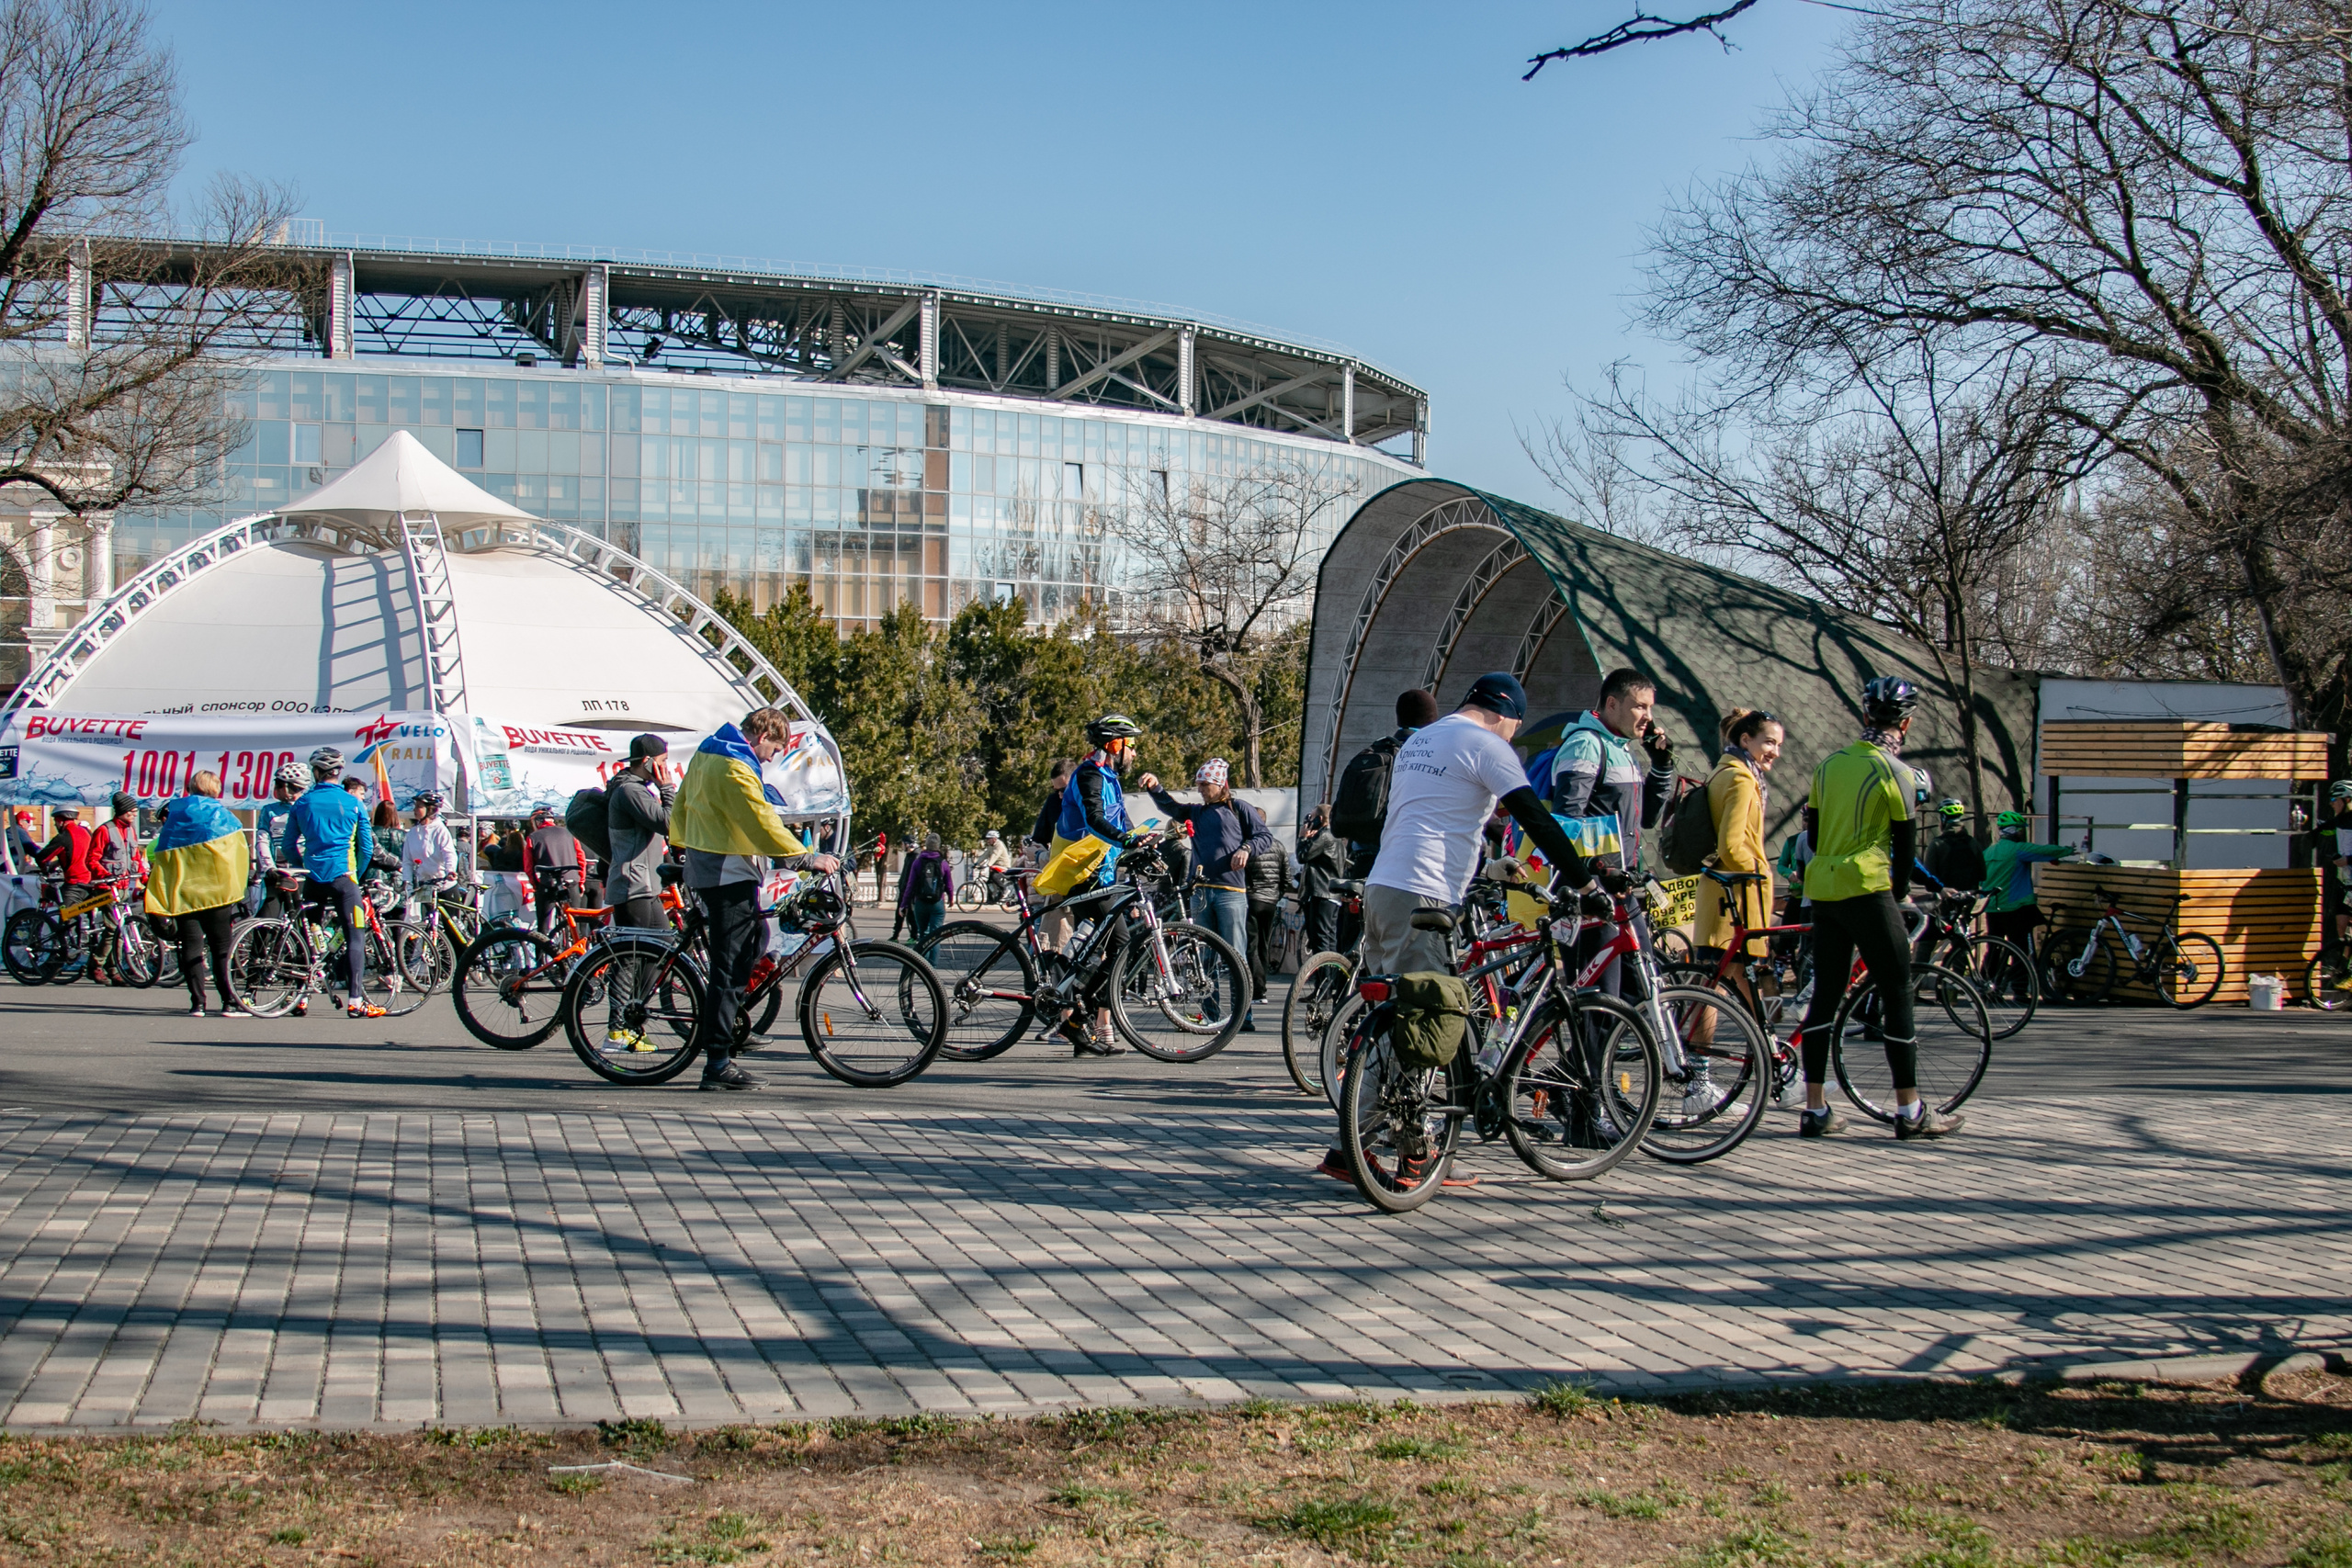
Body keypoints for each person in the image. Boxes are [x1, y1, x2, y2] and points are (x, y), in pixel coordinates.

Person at [1320, 673, 1596, 1181]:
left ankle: (1349, 1146)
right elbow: (1534, 817)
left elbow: (1430, 818)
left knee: (1398, 1020)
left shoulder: (1421, 740)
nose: (1513, 734)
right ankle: (1415, 1157)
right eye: (1516, 724)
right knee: (1428, 1025)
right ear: (1506, 712)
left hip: (1384, 888)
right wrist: (1585, 882)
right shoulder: (1486, 744)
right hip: (1424, 896)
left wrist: (1486, 870)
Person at [1791, 676, 1960, 1139]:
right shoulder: (1899, 773)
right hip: (1867, 887)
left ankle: (1815, 1108)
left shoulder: (1828, 766)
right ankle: (1909, 1110)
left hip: (1824, 889)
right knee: (1897, 989)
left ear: (1866, 716)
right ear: (1906, 722)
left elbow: (1815, 836)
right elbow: (1905, 848)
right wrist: (1901, 893)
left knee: (1825, 993)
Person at [670, 706, 839, 1090]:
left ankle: (730, 1026)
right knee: (728, 971)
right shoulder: (734, 765)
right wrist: (805, 857)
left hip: (713, 863)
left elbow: (681, 802)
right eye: (776, 750)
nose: (773, 758)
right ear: (763, 737)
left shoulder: (710, 750)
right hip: (724, 871)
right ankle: (716, 1063)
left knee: (752, 945)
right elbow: (759, 818)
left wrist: (681, 842)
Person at [1138, 758, 1273, 1031]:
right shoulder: (1196, 812)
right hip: (1200, 892)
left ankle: (1242, 1016)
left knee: (1236, 955)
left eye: (1204, 785)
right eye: (1198, 784)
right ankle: (1212, 1017)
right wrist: (1155, 788)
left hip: (1231, 892)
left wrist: (1246, 849)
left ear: (1220, 784)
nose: (1199, 789)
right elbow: (1171, 807)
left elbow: (1264, 837)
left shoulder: (1239, 809)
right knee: (1205, 957)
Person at [1043, 716, 1149, 1055]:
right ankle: (1075, 1009)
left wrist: (1143, 842)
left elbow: (1119, 822)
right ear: (1114, 744)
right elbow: (1095, 820)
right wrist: (1125, 840)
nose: (1134, 753)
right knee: (1121, 944)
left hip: (1098, 874)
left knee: (1107, 946)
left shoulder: (1108, 777)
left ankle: (1075, 1016)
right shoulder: (1088, 775)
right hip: (1080, 874)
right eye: (1131, 745)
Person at [1692, 708, 1784, 1034]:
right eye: (1769, 742)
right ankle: (1699, 1074)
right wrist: (1761, 870)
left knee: (1734, 985)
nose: (1775, 751)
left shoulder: (1725, 771)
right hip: (1734, 901)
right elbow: (1731, 846)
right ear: (1746, 739)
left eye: (1778, 744)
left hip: (1725, 897)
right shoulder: (1742, 779)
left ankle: (1772, 1064)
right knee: (1711, 991)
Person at [283, 746, 379, 1019]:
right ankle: (356, 1001)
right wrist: (356, 876)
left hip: (312, 879)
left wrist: (304, 864)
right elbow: (367, 849)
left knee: (307, 938)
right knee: (355, 937)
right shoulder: (353, 803)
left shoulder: (302, 802)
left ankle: (301, 997)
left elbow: (289, 845)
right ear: (338, 772)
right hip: (343, 879)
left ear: (315, 772)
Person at [145, 772, 251, 1017]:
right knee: (221, 948)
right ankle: (228, 1002)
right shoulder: (224, 816)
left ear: (191, 788)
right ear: (215, 789)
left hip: (184, 892)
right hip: (218, 892)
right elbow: (238, 853)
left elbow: (163, 855)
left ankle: (198, 1004)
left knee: (190, 948)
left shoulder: (175, 816)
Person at [604, 733, 676, 1055]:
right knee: (630, 959)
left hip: (643, 884)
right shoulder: (630, 791)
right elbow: (671, 823)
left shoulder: (634, 789)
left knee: (660, 947)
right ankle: (617, 1030)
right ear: (647, 762)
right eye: (661, 763)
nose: (666, 770)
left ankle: (632, 1021)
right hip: (633, 885)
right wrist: (667, 789)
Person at [1334, 689, 1442, 877]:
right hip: (1402, 857)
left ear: (1398, 719)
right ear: (1432, 720)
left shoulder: (1373, 752)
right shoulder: (1426, 757)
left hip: (1360, 855)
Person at [1979, 810, 2074, 954]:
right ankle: (2020, 977)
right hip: (2014, 908)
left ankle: (1989, 976)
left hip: (1991, 906)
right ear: (2014, 830)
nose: (2022, 833)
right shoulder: (2018, 849)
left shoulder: (1987, 852)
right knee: (2019, 948)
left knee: (1993, 948)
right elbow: (2044, 851)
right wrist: (2068, 850)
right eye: (2020, 829)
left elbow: (1981, 877)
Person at [1244, 822, 1293, 1011]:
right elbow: (1286, 878)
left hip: (1252, 898)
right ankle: (1262, 988)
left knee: (1251, 946)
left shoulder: (1247, 846)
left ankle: (1255, 989)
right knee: (1264, 944)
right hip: (1270, 900)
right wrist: (1276, 895)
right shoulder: (1279, 845)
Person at [1029, 759, 1075, 951]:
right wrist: (1039, 854)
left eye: (1064, 789)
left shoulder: (1090, 802)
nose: (1060, 796)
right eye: (1056, 790)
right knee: (1054, 947)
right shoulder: (1053, 802)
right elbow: (1037, 839)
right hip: (1061, 888)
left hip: (1089, 883)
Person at [253, 761, 309, 918]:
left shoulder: (308, 808)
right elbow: (262, 840)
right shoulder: (269, 810)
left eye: (278, 784)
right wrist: (269, 867)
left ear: (291, 787)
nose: (275, 789)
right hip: (277, 874)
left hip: (302, 874)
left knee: (301, 923)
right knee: (267, 918)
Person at [524, 805, 587, 935]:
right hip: (571, 881)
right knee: (576, 924)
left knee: (543, 927)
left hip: (548, 883)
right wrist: (581, 882)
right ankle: (580, 951)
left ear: (538, 822)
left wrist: (535, 885)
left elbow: (528, 866)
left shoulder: (533, 837)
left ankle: (542, 955)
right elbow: (581, 859)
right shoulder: (570, 833)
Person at [1295, 804, 1349, 955]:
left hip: (1321, 892)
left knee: (1320, 939)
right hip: (1331, 893)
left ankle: (1324, 977)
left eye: (1311, 818)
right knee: (1329, 938)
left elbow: (1302, 856)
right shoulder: (1336, 837)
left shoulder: (1324, 835)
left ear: (1320, 819)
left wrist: (1303, 837)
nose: (1309, 822)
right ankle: (1330, 976)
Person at [1922, 798, 1985, 897]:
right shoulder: (1973, 842)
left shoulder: (1937, 844)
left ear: (1943, 818)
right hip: (1970, 897)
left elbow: (1929, 878)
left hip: (1947, 898)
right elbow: (1983, 875)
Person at [898, 831, 954, 943]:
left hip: (921, 902)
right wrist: (951, 898)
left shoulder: (918, 861)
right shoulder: (943, 863)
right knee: (935, 935)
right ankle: (933, 961)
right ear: (938, 846)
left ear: (927, 845)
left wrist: (904, 904)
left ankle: (922, 960)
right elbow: (949, 884)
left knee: (923, 935)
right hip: (937, 901)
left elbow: (910, 885)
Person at [401, 792, 459, 892]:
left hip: (443, 886)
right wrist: (407, 882)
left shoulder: (440, 830)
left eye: (419, 807)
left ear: (430, 810)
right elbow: (407, 861)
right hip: (423, 886)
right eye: (415, 806)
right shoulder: (412, 833)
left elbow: (449, 854)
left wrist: (450, 871)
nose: (415, 810)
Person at [978, 829, 1012, 903]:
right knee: (988, 882)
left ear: (994, 838)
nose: (987, 840)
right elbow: (985, 854)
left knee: (995, 877)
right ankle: (991, 899)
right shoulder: (990, 846)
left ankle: (1005, 889)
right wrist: (977, 863)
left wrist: (988, 864)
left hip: (1004, 866)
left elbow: (995, 855)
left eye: (989, 839)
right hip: (995, 866)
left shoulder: (999, 845)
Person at [6, 808, 38, 873]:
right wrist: (47, 858)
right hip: (13, 866)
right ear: (20, 822)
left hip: (9, 865)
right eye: (28, 821)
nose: (30, 824)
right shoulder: (19, 831)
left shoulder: (11, 830)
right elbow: (33, 849)